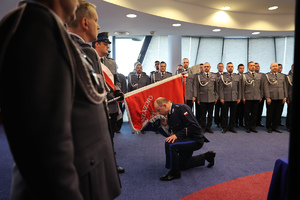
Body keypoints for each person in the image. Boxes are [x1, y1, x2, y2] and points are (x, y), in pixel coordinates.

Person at [0, 0, 121, 199]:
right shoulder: (37, 27)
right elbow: (46, 145)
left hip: (88, 173)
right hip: (74, 181)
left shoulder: (52, 29)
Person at [153, 97, 216, 181]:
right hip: (185, 138)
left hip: (195, 139)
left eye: (158, 110)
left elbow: (194, 126)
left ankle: (174, 173)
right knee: (182, 165)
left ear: (164, 105)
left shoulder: (182, 108)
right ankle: (207, 156)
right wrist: (166, 125)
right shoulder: (169, 112)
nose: (158, 113)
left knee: (170, 144)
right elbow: (174, 128)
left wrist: (177, 135)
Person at [91, 32, 125, 173]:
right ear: (96, 44)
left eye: (108, 44)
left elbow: (115, 80)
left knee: (109, 137)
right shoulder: (88, 60)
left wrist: (117, 90)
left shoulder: (111, 62)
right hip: (96, 106)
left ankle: (111, 164)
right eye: (105, 44)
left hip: (110, 105)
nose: (107, 47)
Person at [193, 62, 218, 133]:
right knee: (203, 114)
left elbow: (216, 88)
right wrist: (198, 98)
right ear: (203, 68)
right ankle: (203, 127)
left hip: (211, 98)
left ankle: (209, 127)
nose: (206, 68)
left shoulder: (214, 76)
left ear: (210, 67)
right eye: (205, 67)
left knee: (210, 114)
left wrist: (216, 97)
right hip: (202, 98)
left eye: (207, 66)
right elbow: (197, 88)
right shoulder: (199, 76)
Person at [264, 62, 287, 133]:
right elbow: (266, 87)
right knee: (270, 113)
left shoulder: (282, 76)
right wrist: (267, 97)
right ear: (270, 68)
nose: (275, 67)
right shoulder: (267, 76)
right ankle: (269, 127)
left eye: (276, 66)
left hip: (280, 97)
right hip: (271, 97)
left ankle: (275, 127)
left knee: (278, 113)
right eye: (273, 66)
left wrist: (285, 97)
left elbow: (284, 87)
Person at [242, 61, 264, 133]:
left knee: (255, 113)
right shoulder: (245, 75)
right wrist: (243, 97)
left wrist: (261, 96)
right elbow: (242, 88)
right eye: (251, 65)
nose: (253, 67)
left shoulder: (259, 75)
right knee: (247, 113)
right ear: (248, 67)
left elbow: (261, 87)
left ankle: (253, 127)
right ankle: (247, 127)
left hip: (256, 97)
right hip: (248, 96)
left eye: (254, 65)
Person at [219, 62, 242, 133]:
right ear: (226, 68)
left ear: (233, 68)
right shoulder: (223, 77)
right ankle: (224, 127)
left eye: (231, 66)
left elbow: (239, 88)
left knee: (233, 114)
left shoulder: (237, 77)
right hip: (225, 98)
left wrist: (239, 98)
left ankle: (231, 127)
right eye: (229, 66)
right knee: (224, 114)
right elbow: (220, 88)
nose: (230, 68)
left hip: (234, 98)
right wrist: (221, 98)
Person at [255, 62, 265, 127]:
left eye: (258, 66)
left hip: (261, 95)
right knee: (254, 110)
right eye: (255, 66)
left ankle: (258, 122)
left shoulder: (263, 75)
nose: (257, 67)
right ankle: (253, 122)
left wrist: (261, 96)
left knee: (260, 110)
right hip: (253, 96)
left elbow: (264, 86)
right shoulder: (250, 75)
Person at [214, 63, 224, 128]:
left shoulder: (226, 75)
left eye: (222, 66)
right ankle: (216, 122)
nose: (220, 67)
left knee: (223, 110)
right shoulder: (215, 75)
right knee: (217, 110)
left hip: (224, 96)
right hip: (217, 96)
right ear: (217, 67)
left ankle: (222, 122)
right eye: (219, 66)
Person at [286, 64, 294, 131]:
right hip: (290, 97)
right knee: (290, 113)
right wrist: (287, 98)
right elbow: (286, 88)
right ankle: (289, 126)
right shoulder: (288, 77)